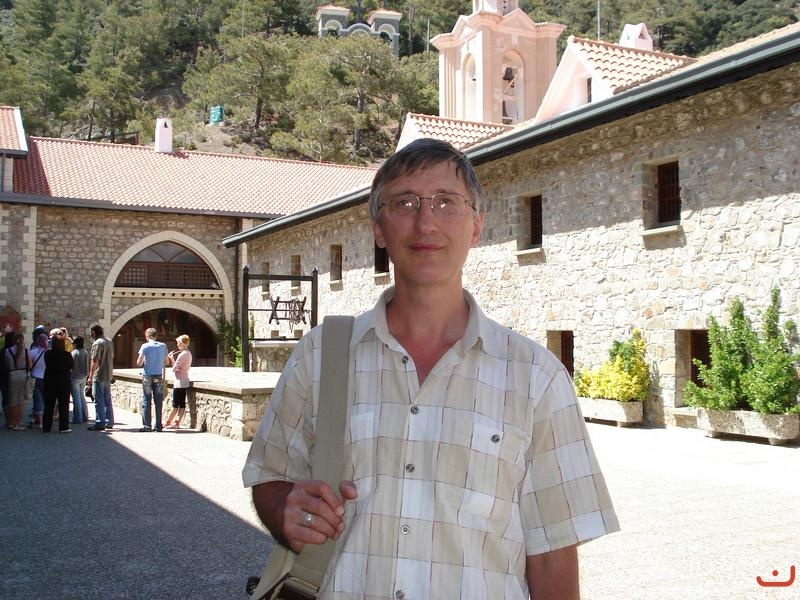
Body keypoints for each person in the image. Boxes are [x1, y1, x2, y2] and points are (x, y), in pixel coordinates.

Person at [243, 139, 619, 600]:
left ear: (477, 225)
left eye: (447, 202)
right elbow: (270, 476)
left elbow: (553, 553)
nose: (426, 222)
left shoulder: (536, 377)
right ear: (378, 228)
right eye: (404, 203)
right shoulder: (321, 355)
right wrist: (286, 510)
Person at [136, 327, 167, 432]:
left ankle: (147, 426)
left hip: (147, 376)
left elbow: (139, 363)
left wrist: (146, 360)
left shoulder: (145, 346)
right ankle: (158, 426)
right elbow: (166, 362)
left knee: (146, 400)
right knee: (158, 401)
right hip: (158, 376)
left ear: (147, 336)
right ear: (156, 336)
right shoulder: (163, 346)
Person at [43, 332, 74, 433]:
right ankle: (63, 426)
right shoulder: (67, 355)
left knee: (49, 404)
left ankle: (46, 426)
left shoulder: (48, 354)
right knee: (64, 404)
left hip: (50, 380)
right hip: (63, 381)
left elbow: (47, 364)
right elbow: (71, 366)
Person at [87, 324, 114, 431]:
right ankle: (109, 421)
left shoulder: (98, 343)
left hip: (99, 374)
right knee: (107, 399)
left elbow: (95, 360)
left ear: (94, 332)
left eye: (91, 333)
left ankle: (100, 423)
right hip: (108, 374)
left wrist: (90, 376)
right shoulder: (109, 342)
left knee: (98, 399)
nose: (91, 335)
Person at [3, 332, 30, 430]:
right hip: (22, 374)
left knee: (13, 400)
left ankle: (12, 422)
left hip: (12, 374)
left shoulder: (8, 351)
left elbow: (6, 364)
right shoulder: (25, 351)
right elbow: (30, 365)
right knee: (21, 400)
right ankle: (18, 423)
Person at [164, 334, 192, 429]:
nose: (177, 345)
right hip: (184, 381)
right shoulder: (188, 353)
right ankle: (177, 422)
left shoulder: (182, 354)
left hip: (179, 382)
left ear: (184, 343)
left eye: (179, 343)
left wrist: (171, 358)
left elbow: (174, 368)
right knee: (182, 404)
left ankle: (168, 422)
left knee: (175, 405)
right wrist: (173, 359)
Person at [28, 332, 48, 428]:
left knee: (37, 399)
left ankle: (39, 420)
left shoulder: (33, 352)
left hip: (34, 377)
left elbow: (29, 365)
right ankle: (40, 418)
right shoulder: (49, 352)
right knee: (44, 399)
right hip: (45, 378)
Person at [70, 336, 90, 424]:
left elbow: (73, 365)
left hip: (75, 376)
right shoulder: (85, 352)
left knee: (76, 398)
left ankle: (78, 418)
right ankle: (85, 416)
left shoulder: (75, 353)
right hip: (84, 376)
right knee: (82, 396)